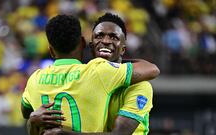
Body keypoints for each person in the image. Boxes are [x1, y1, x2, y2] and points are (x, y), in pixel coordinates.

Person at [27, 13, 159, 135]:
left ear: (123, 48)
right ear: (90, 46)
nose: (106, 41)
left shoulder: (140, 86)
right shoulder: (87, 77)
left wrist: (65, 134)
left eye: (114, 37)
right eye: (99, 36)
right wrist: (33, 122)